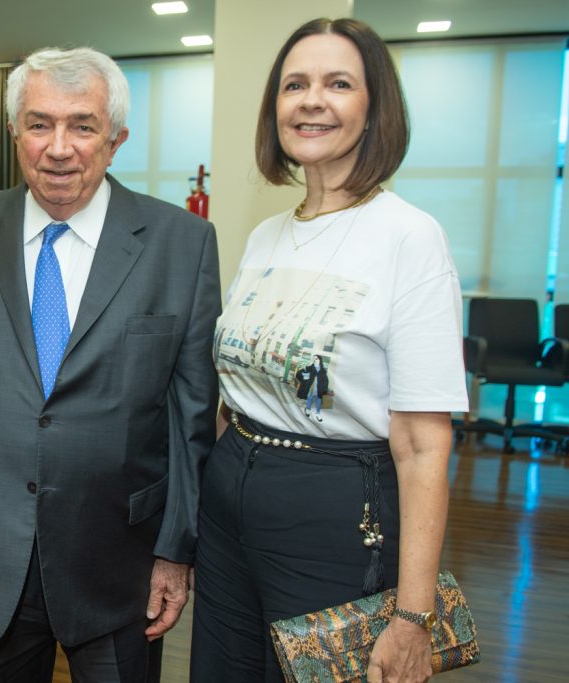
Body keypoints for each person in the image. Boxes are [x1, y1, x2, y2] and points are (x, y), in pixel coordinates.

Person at [193, 18, 467, 683]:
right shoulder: (265, 235)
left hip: (338, 507)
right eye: (294, 85)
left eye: (337, 83)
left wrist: (412, 616)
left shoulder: (410, 237)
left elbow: (425, 441)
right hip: (230, 492)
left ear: (374, 109)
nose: (310, 100)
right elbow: (237, 384)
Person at [0, 46, 220, 682]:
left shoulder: (183, 244)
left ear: (115, 139)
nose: (58, 147)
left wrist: (176, 552)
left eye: (82, 125)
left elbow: (192, 418)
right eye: (39, 124)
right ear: (14, 133)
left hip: (120, 565)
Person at [295, 353, 329, 421]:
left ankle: (318, 414)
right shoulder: (309, 368)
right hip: (310, 388)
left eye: (316, 358)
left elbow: (326, 380)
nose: (315, 360)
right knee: (309, 399)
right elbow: (299, 374)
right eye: (314, 359)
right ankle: (307, 410)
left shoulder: (323, 371)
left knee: (318, 401)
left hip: (319, 389)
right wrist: (304, 378)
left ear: (320, 360)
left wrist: (324, 389)